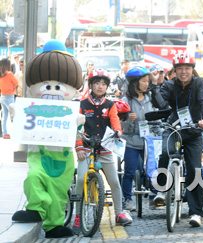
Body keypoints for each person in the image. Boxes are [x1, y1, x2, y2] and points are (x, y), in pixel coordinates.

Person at [11, 40, 82, 238]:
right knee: (34, 178)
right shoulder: (31, 107)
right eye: (47, 85)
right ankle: (36, 208)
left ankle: (54, 226)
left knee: (58, 193)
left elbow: (79, 133)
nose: (52, 90)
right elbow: (21, 124)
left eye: (59, 86)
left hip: (63, 158)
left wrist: (78, 123)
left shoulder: (72, 111)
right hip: (38, 153)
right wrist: (15, 114)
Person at [149, 51, 203, 227]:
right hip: (173, 129)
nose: (183, 72)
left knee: (195, 170)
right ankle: (162, 189)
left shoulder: (200, 83)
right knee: (165, 152)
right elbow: (160, 104)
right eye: (180, 69)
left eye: (187, 68)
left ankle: (195, 213)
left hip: (193, 131)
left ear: (192, 70)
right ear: (175, 71)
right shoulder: (169, 85)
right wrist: (155, 86)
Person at [74, 69, 132, 231]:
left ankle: (119, 213)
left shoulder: (110, 104)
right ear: (91, 85)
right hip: (85, 148)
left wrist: (118, 131)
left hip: (105, 148)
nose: (100, 87)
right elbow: (77, 127)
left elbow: (115, 121)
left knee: (114, 182)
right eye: (97, 83)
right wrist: (79, 146)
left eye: (104, 84)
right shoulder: (82, 104)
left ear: (107, 87)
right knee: (80, 180)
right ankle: (78, 216)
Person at [120, 66, 155, 211]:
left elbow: (159, 116)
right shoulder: (125, 100)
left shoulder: (151, 98)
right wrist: (128, 119)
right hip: (131, 141)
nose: (146, 84)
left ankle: (155, 196)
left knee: (153, 169)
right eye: (143, 81)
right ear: (135, 83)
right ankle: (127, 199)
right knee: (129, 171)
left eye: (148, 81)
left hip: (149, 141)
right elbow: (119, 124)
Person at [0, 58, 18, 139]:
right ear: (7, 65)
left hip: (2, 96)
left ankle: (5, 133)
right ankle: (15, 133)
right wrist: (13, 89)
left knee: (4, 116)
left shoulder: (0, 75)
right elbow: (16, 83)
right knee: (14, 115)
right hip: (9, 97)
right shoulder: (10, 74)